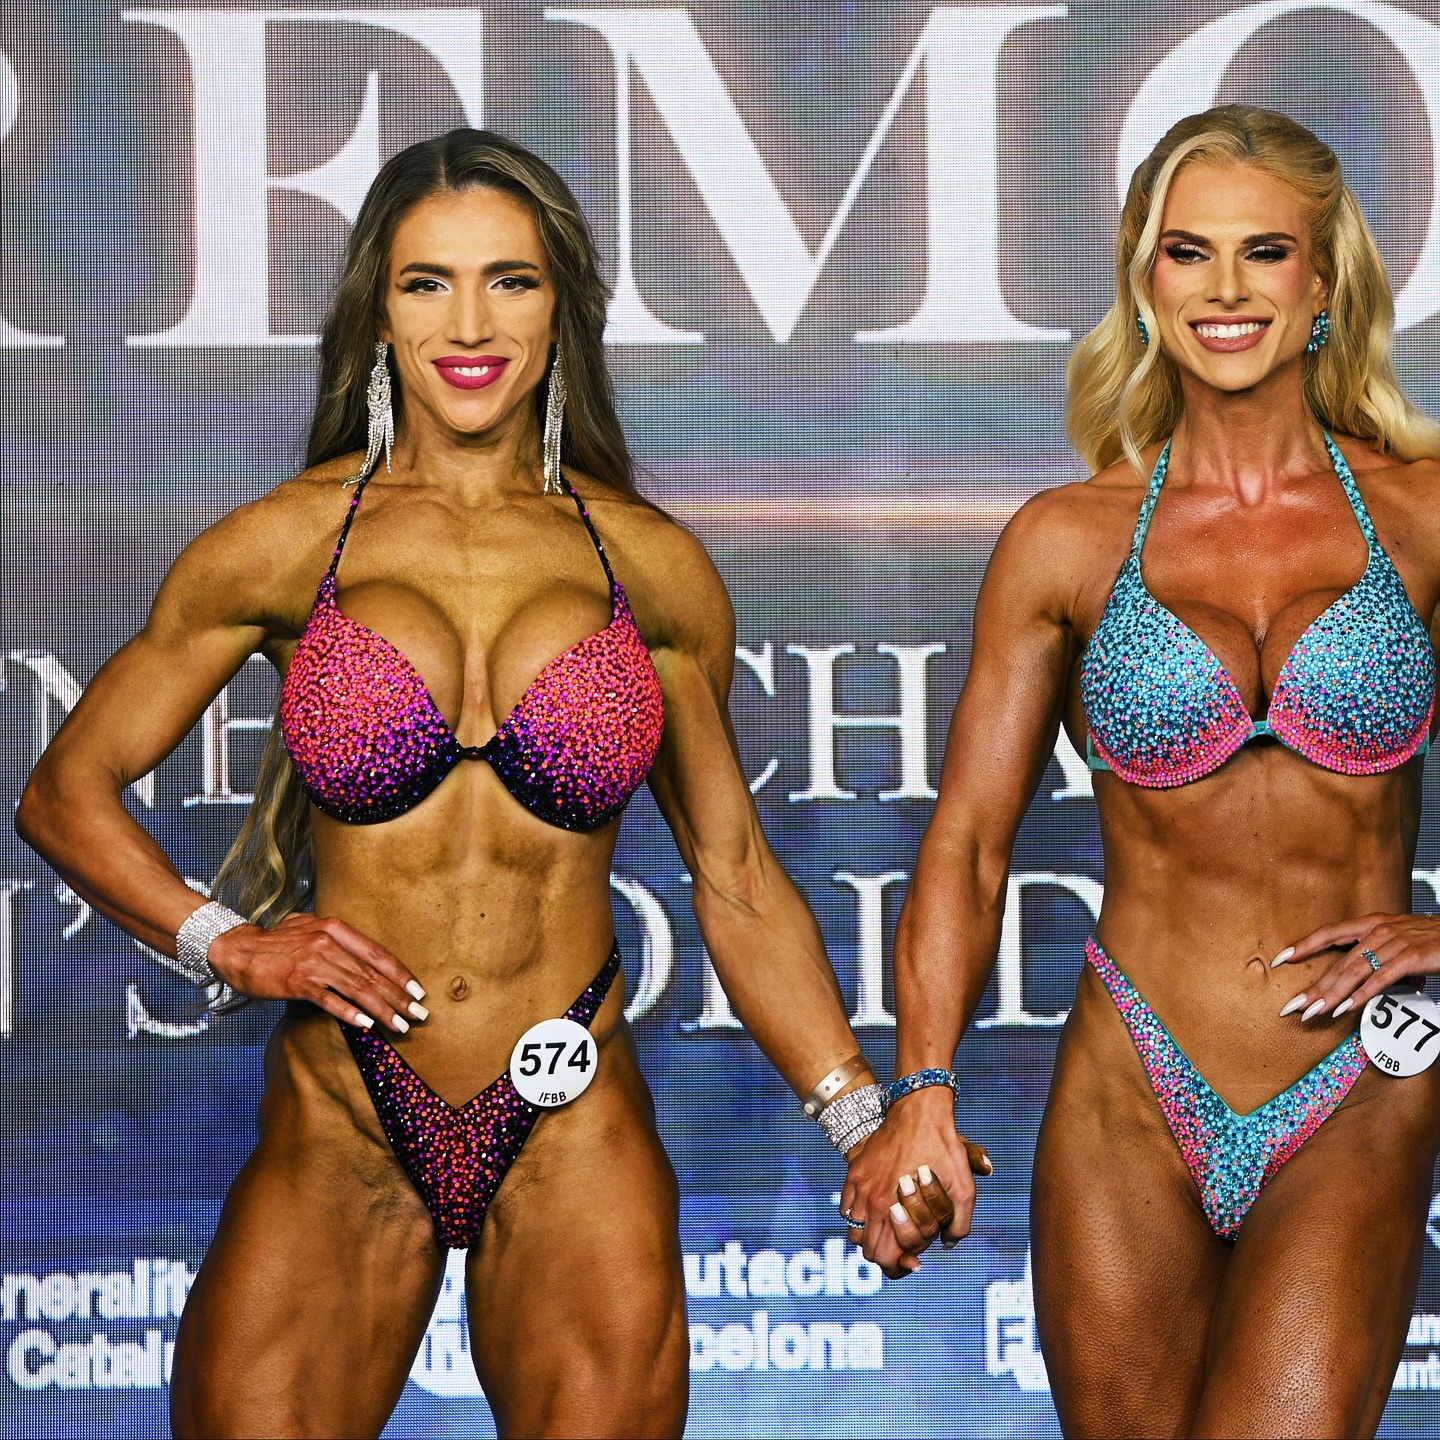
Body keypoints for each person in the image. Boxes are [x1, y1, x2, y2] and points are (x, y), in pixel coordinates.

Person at [17, 127, 889, 1439]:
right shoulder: (288, 542)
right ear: (379, 310)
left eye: (509, 281)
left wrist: (864, 1120)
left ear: (562, 308)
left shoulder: (652, 569)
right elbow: (64, 791)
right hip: (343, 1114)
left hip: (570, 1112)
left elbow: (737, 877)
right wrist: (228, 943)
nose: (469, 324)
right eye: (428, 283)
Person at [843, 104, 1440, 1437]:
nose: (1226, 289)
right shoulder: (1064, 540)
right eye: (1188, 252)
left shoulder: (1422, 513)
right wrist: (920, 1094)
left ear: (1324, 285)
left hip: (1357, 1082)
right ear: (1145, 283)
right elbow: (969, 843)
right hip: (1132, 1084)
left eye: (1264, 252)